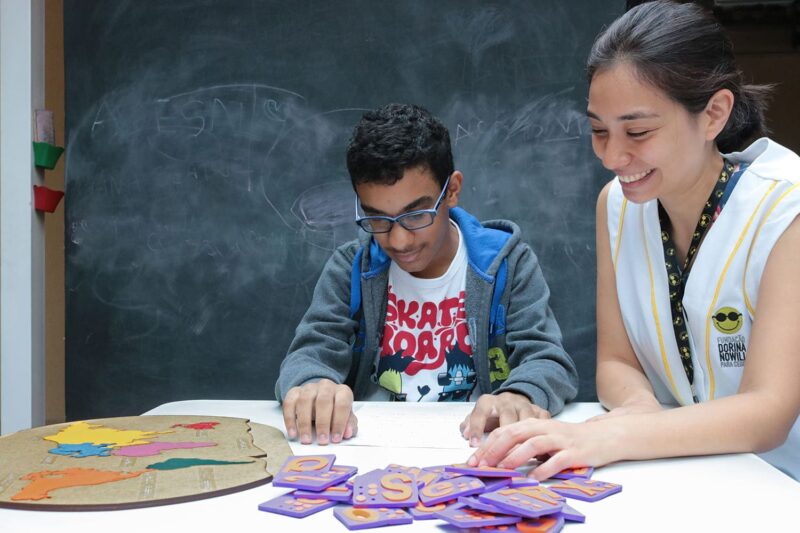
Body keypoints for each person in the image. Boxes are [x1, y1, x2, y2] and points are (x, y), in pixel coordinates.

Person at [468, 0, 800, 480]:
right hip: (692, 478)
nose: (613, 156)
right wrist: (639, 406)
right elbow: (616, 363)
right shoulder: (617, 206)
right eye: (599, 130)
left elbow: (768, 412)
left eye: (638, 131)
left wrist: (610, 436)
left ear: (714, 114)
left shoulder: (784, 208)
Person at [275, 103, 579, 445]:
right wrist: (313, 385)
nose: (399, 240)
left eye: (415, 215)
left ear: (451, 191)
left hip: (474, 447)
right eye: (378, 219)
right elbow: (309, 353)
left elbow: (548, 359)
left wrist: (521, 396)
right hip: (368, 448)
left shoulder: (507, 263)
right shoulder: (352, 266)